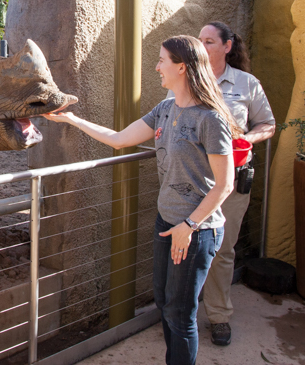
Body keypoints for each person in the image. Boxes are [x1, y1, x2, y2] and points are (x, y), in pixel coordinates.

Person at [44, 35, 240, 365]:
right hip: (167, 223)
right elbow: (120, 140)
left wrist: (189, 226)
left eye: (162, 60)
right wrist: (71, 120)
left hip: (195, 230)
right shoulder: (165, 109)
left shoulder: (210, 119)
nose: (157, 66)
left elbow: (225, 184)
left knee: (180, 315)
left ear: (182, 66)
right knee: (165, 303)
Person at [195, 22, 275, 346]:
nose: (202, 46)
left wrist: (247, 138)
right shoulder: (187, 79)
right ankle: (181, 314)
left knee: (222, 249)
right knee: (185, 247)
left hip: (232, 181)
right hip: (193, 179)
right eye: (199, 41)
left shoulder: (246, 84)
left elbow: (267, 124)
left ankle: (218, 316)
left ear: (227, 46)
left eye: (209, 41)